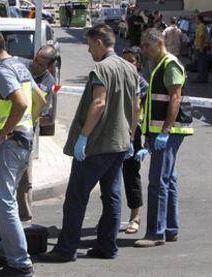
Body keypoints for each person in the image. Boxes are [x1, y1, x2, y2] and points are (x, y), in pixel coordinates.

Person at [39, 24, 139, 262]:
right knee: (112, 196)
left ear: (98, 43)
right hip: (120, 144)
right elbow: (136, 106)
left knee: (76, 197)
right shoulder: (130, 68)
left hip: (97, 145)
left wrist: (83, 137)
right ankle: (107, 246)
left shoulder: (102, 69)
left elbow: (99, 103)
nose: (88, 51)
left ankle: (66, 249)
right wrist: (131, 134)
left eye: (88, 45)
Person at [0, 24, 46, 277]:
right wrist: (27, 127)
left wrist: (4, 133)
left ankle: (19, 263)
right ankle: (6, 248)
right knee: (8, 199)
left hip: (8, 144)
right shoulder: (19, 66)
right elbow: (40, 100)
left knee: (4, 204)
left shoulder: (2, 70)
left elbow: (22, 103)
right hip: (23, 142)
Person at [134, 28, 194, 248]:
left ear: (158, 42)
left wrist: (165, 131)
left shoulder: (169, 64)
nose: (143, 49)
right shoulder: (161, 65)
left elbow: (175, 98)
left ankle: (155, 233)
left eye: (146, 45)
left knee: (158, 181)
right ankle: (170, 228)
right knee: (168, 181)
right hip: (166, 132)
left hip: (169, 132)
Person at [0, 45, 57, 224]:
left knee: (23, 181)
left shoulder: (48, 80)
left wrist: (28, 122)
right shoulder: (21, 66)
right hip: (10, 131)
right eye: (36, 60)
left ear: (50, 66)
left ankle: (24, 219)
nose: (36, 66)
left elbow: (40, 101)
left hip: (21, 133)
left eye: (42, 64)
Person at [121, 46, 149, 234]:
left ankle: (134, 216)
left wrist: (144, 143)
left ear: (138, 63)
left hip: (134, 134)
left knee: (131, 175)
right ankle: (111, 216)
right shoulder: (116, 80)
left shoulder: (143, 85)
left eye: (131, 60)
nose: (128, 64)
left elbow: (144, 113)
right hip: (115, 133)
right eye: (125, 60)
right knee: (110, 177)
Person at [193, 15, 209, 83]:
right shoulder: (201, 26)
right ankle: (204, 78)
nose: (195, 20)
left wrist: (200, 47)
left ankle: (201, 78)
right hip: (201, 47)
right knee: (203, 63)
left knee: (201, 63)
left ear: (199, 19)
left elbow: (202, 37)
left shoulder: (201, 26)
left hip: (201, 48)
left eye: (196, 19)